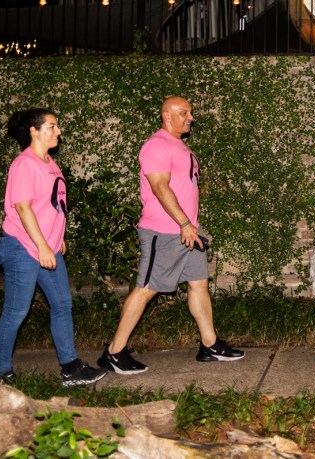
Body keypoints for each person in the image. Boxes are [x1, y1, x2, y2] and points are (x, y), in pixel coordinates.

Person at [98, 96, 243, 374]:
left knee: (198, 284)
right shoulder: (157, 145)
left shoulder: (179, 145)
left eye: (190, 112)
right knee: (146, 288)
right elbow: (159, 187)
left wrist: (190, 226)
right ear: (166, 115)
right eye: (183, 112)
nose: (191, 117)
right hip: (165, 231)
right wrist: (183, 222)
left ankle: (210, 345)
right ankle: (114, 352)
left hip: (188, 230)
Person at [0, 109, 107, 387]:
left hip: (47, 245)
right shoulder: (24, 164)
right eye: (52, 126)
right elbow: (23, 208)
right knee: (16, 311)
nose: (59, 131)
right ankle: (1, 373)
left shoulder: (50, 163)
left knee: (62, 304)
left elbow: (53, 203)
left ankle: (70, 368)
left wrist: (57, 236)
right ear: (34, 130)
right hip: (23, 246)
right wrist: (43, 245)